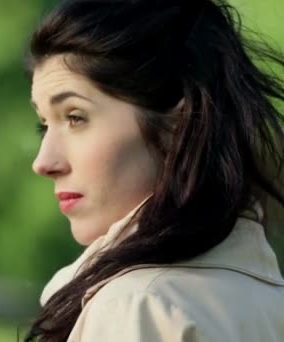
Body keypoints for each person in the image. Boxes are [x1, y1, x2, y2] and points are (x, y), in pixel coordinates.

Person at [24, 0, 284, 341]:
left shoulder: (137, 306)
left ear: (177, 122)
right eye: (44, 126)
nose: (44, 162)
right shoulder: (268, 300)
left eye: (75, 117)